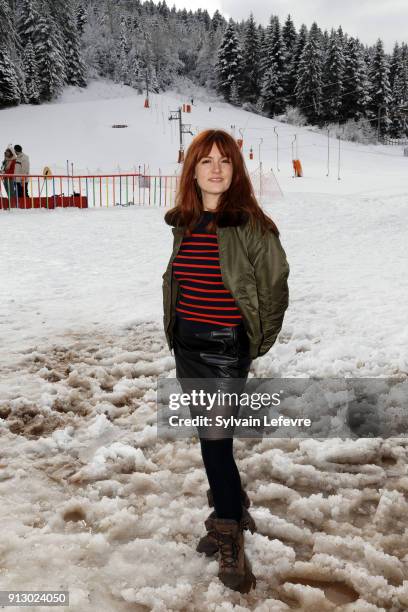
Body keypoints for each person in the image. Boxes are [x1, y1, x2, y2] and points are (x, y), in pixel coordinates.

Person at [162, 129, 290, 592]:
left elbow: (275, 288)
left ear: (235, 171)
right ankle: (231, 503)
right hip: (188, 348)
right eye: (206, 161)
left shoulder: (251, 225)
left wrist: (254, 343)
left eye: (225, 161)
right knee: (211, 439)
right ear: (192, 169)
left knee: (215, 444)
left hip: (224, 352)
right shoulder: (186, 223)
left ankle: (229, 533)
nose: (216, 168)